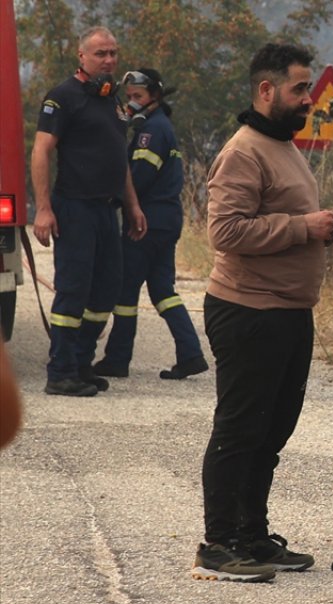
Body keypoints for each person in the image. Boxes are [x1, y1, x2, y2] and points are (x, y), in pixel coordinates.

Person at [192, 43, 333, 583]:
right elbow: (226, 232)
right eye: (300, 89)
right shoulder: (244, 151)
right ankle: (218, 543)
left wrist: (323, 223)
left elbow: (279, 218)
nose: (309, 99)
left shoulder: (284, 145)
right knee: (241, 429)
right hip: (248, 310)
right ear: (267, 91)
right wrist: (304, 227)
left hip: (288, 311)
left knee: (272, 430)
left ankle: (252, 535)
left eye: (308, 88)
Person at [31, 26, 148, 397]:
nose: (109, 60)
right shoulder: (63, 97)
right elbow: (41, 152)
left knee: (105, 290)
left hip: (105, 209)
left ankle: (81, 364)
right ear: (82, 57)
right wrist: (44, 209)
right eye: (101, 54)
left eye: (113, 53)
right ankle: (60, 371)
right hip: (74, 207)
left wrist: (132, 205)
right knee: (74, 290)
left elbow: (119, 159)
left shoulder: (112, 100)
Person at [93, 67, 208, 381]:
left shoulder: (151, 132)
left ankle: (117, 359)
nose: (131, 103)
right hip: (166, 221)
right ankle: (191, 354)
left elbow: (140, 176)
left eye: (138, 97)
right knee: (162, 291)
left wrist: (115, 202)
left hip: (146, 222)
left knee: (125, 291)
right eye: (128, 97)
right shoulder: (163, 127)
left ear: (154, 97)